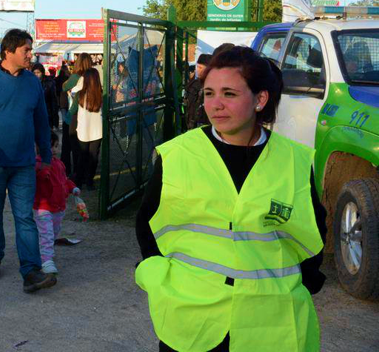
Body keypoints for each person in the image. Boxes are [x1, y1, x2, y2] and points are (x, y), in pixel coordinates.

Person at [135, 47, 327, 352]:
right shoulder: (177, 155)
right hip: (193, 321)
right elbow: (148, 224)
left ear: (260, 99)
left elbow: (313, 229)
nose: (216, 105)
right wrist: (156, 277)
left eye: (229, 94)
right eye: (209, 93)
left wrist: (304, 281)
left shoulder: (296, 160)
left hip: (270, 323)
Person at [0, 29, 56, 294]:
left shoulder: (33, 83)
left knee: (25, 218)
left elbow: (41, 120)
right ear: (9, 51)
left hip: (24, 164)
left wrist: (47, 157)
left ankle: (31, 271)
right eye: (26, 50)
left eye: (30, 49)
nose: (31, 54)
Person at [34, 133, 79, 275]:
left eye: (56, 146)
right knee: (46, 233)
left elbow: (64, 180)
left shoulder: (59, 163)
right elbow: (35, 174)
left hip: (59, 206)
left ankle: (43, 251)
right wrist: (41, 170)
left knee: (54, 232)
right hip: (43, 207)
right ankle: (46, 260)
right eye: (51, 146)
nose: (54, 149)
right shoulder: (37, 163)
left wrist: (72, 188)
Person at [70, 68, 103, 190]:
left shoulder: (80, 94)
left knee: (82, 157)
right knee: (93, 157)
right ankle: (89, 181)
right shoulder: (101, 94)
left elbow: (72, 108)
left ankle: (79, 180)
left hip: (83, 130)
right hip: (98, 130)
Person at [61, 54, 92, 176]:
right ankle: (80, 173)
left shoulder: (76, 77)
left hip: (72, 115)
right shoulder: (92, 77)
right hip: (86, 115)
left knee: (68, 145)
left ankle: (68, 171)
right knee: (81, 146)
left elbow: (64, 87)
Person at [184, 53, 211, 130]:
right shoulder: (193, 83)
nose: (197, 70)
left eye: (200, 67)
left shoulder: (212, 86)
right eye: (197, 67)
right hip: (191, 124)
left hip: (204, 126)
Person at [32, 63, 59, 129]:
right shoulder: (30, 83)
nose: (36, 75)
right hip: (33, 115)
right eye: (34, 72)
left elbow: (53, 101)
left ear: (42, 72)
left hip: (46, 114)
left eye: (38, 72)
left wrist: (55, 119)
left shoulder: (49, 83)